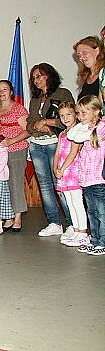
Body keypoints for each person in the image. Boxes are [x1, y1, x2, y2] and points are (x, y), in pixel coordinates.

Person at [25, 63, 74, 238]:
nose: (36, 80)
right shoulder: (35, 99)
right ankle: (54, 222)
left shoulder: (62, 94)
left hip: (56, 143)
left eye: (39, 76)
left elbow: (69, 118)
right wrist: (37, 125)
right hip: (36, 145)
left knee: (59, 183)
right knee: (44, 185)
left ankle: (72, 223)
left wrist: (46, 122)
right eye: (34, 78)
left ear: (49, 75)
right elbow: (29, 125)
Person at [0, 80, 29, 231]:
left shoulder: (19, 109)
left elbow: (27, 130)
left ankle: (17, 217)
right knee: (2, 185)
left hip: (16, 150)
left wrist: (11, 141)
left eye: (5, 89)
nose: (1, 93)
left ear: (11, 91)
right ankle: (8, 216)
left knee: (15, 183)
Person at [73, 95, 105, 256]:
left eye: (84, 113)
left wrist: (87, 126)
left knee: (101, 212)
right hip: (87, 179)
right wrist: (83, 124)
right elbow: (72, 135)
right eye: (78, 113)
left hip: (99, 178)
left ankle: (103, 241)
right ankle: (95, 240)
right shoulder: (84, 129)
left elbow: (81, 137)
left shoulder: (102, 127)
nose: (80, 116)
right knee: (91, 212)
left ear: (97, 111)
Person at [53, 102, 89, 247]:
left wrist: (62, 168)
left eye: (68, 114)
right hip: (63, 173)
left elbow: (73, 153)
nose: (65, 118)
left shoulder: (78, 131)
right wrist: (55, 168)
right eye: (62, 116)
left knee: (77, 202)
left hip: (73, 171)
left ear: (75, 114)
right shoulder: (62, 134)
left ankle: (83, 232)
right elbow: (57, 153)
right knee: (69, 203)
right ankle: (76, 230)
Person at [74, 36, 104, 100]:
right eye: (78, 55)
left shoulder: (103, 74)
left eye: (84, 52)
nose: (81, 58)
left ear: (97, 50)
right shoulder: (86, 77)